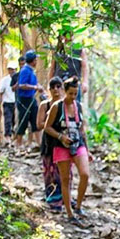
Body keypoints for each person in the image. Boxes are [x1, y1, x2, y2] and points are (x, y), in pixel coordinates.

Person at [43, 77, 91, 226]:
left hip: (78, 144)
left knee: (85, 174)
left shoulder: (79, 106)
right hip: (61, 145)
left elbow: (82, 129)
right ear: (65, 92)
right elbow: (47, 127)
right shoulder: (57, 107)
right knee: (65, 179)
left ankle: (78, 206)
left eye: (75, 94)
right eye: (70, 93)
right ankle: (69, 213)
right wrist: (61, 136)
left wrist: (87, 150)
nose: (72, 97)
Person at [37, 76, 69, 212]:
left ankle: (66, 198)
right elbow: (39, 124)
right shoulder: (45, 105)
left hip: (64, 141)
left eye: (58, 86)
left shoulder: (67, 104)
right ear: (49, 90)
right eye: (53, 87)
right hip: (50, 141)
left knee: (65, 172)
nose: (56, 90)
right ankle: (52, 198)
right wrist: (51, 124)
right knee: (50, 171)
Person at [48, 31, 89, 102]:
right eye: (66, 36)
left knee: (75, 105)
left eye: (70, 35)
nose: (68, 38)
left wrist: (85, 82)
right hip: (59, 84)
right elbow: (52, 68)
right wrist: (49, 84)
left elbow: (84, 67)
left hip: (74, 84)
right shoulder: (57, 50)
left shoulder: (79, 49)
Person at [15, 50, 43, 149]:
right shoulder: (25, 70)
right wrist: (35, 88)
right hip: (24, 100)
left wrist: (39, 87)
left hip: (31, 98)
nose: (36, 62)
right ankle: (19, 144)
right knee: (23, 121)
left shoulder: (31, 70)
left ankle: (40, 144)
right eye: (36, 60)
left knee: (35, 120)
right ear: (33, 61)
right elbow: (22, 85)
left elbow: (35, 83)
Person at [0, 63, 16, 147]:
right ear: (8, 70)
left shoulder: (18, 79)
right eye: (10, 69)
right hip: (7, 103)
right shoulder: (4, 80)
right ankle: (8, 138)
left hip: (16, 103)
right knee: (8, 120)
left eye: (14, 69)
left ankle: (15, 138)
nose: (12, 71)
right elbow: (0, 93)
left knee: (15, 121)